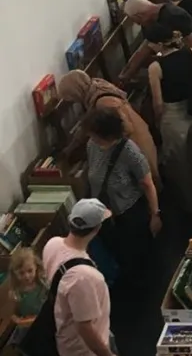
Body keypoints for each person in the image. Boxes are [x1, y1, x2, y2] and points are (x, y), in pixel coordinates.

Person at [143, 23, 192, 213]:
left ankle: (187, 204)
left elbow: (158, 102)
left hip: (173, 114)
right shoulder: (190, 53)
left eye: (150, 43)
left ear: (158, 44)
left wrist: (158, 121)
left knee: (177, 163)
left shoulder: (155, 67)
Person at [85, 108, 161, 287]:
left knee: (135, 257)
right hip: (104, 213)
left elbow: (148, 184)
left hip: (129, 213)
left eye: (95, 136)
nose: (92, 139)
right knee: (115, 251)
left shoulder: (129, 151)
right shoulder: (92, 145)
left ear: (107, 134)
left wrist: (155, 214)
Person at [58, 70, 160, 189]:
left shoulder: (103, 103)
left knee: (148, 182)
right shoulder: (97, 86)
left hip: (136, 142)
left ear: (76, 92)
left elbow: (127, 128)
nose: (75, 102)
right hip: (140, 131)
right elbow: (88, 120)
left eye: (72, 98)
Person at [42, 198, 117, 356]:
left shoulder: (52, 244)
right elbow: (85, 328)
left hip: (64, 336)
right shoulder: (84, 277)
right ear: (97, 228)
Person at [2, 248, 48, 331]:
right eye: (21, 273)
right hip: (32, 328)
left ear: (36, 267)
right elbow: (13, 315)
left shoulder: (43, 282)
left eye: (30, 271)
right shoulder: (15, 293)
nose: (26, 276)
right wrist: (19, 321)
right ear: (15, 273)